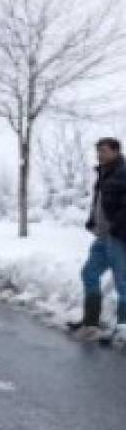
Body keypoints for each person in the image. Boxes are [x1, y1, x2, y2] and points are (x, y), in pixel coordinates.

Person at [69, 137, 126, 343]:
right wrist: (93, 221)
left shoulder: (122, 173)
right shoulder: (104, 173)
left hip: (119, 238)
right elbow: (101, 203)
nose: (99, 155)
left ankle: (122, 330)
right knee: (89, 273)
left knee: (123, 284)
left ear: (116, 151)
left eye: (103, 150)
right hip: (103, 238)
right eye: (97, 151)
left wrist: (115, 228)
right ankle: (91, 323)